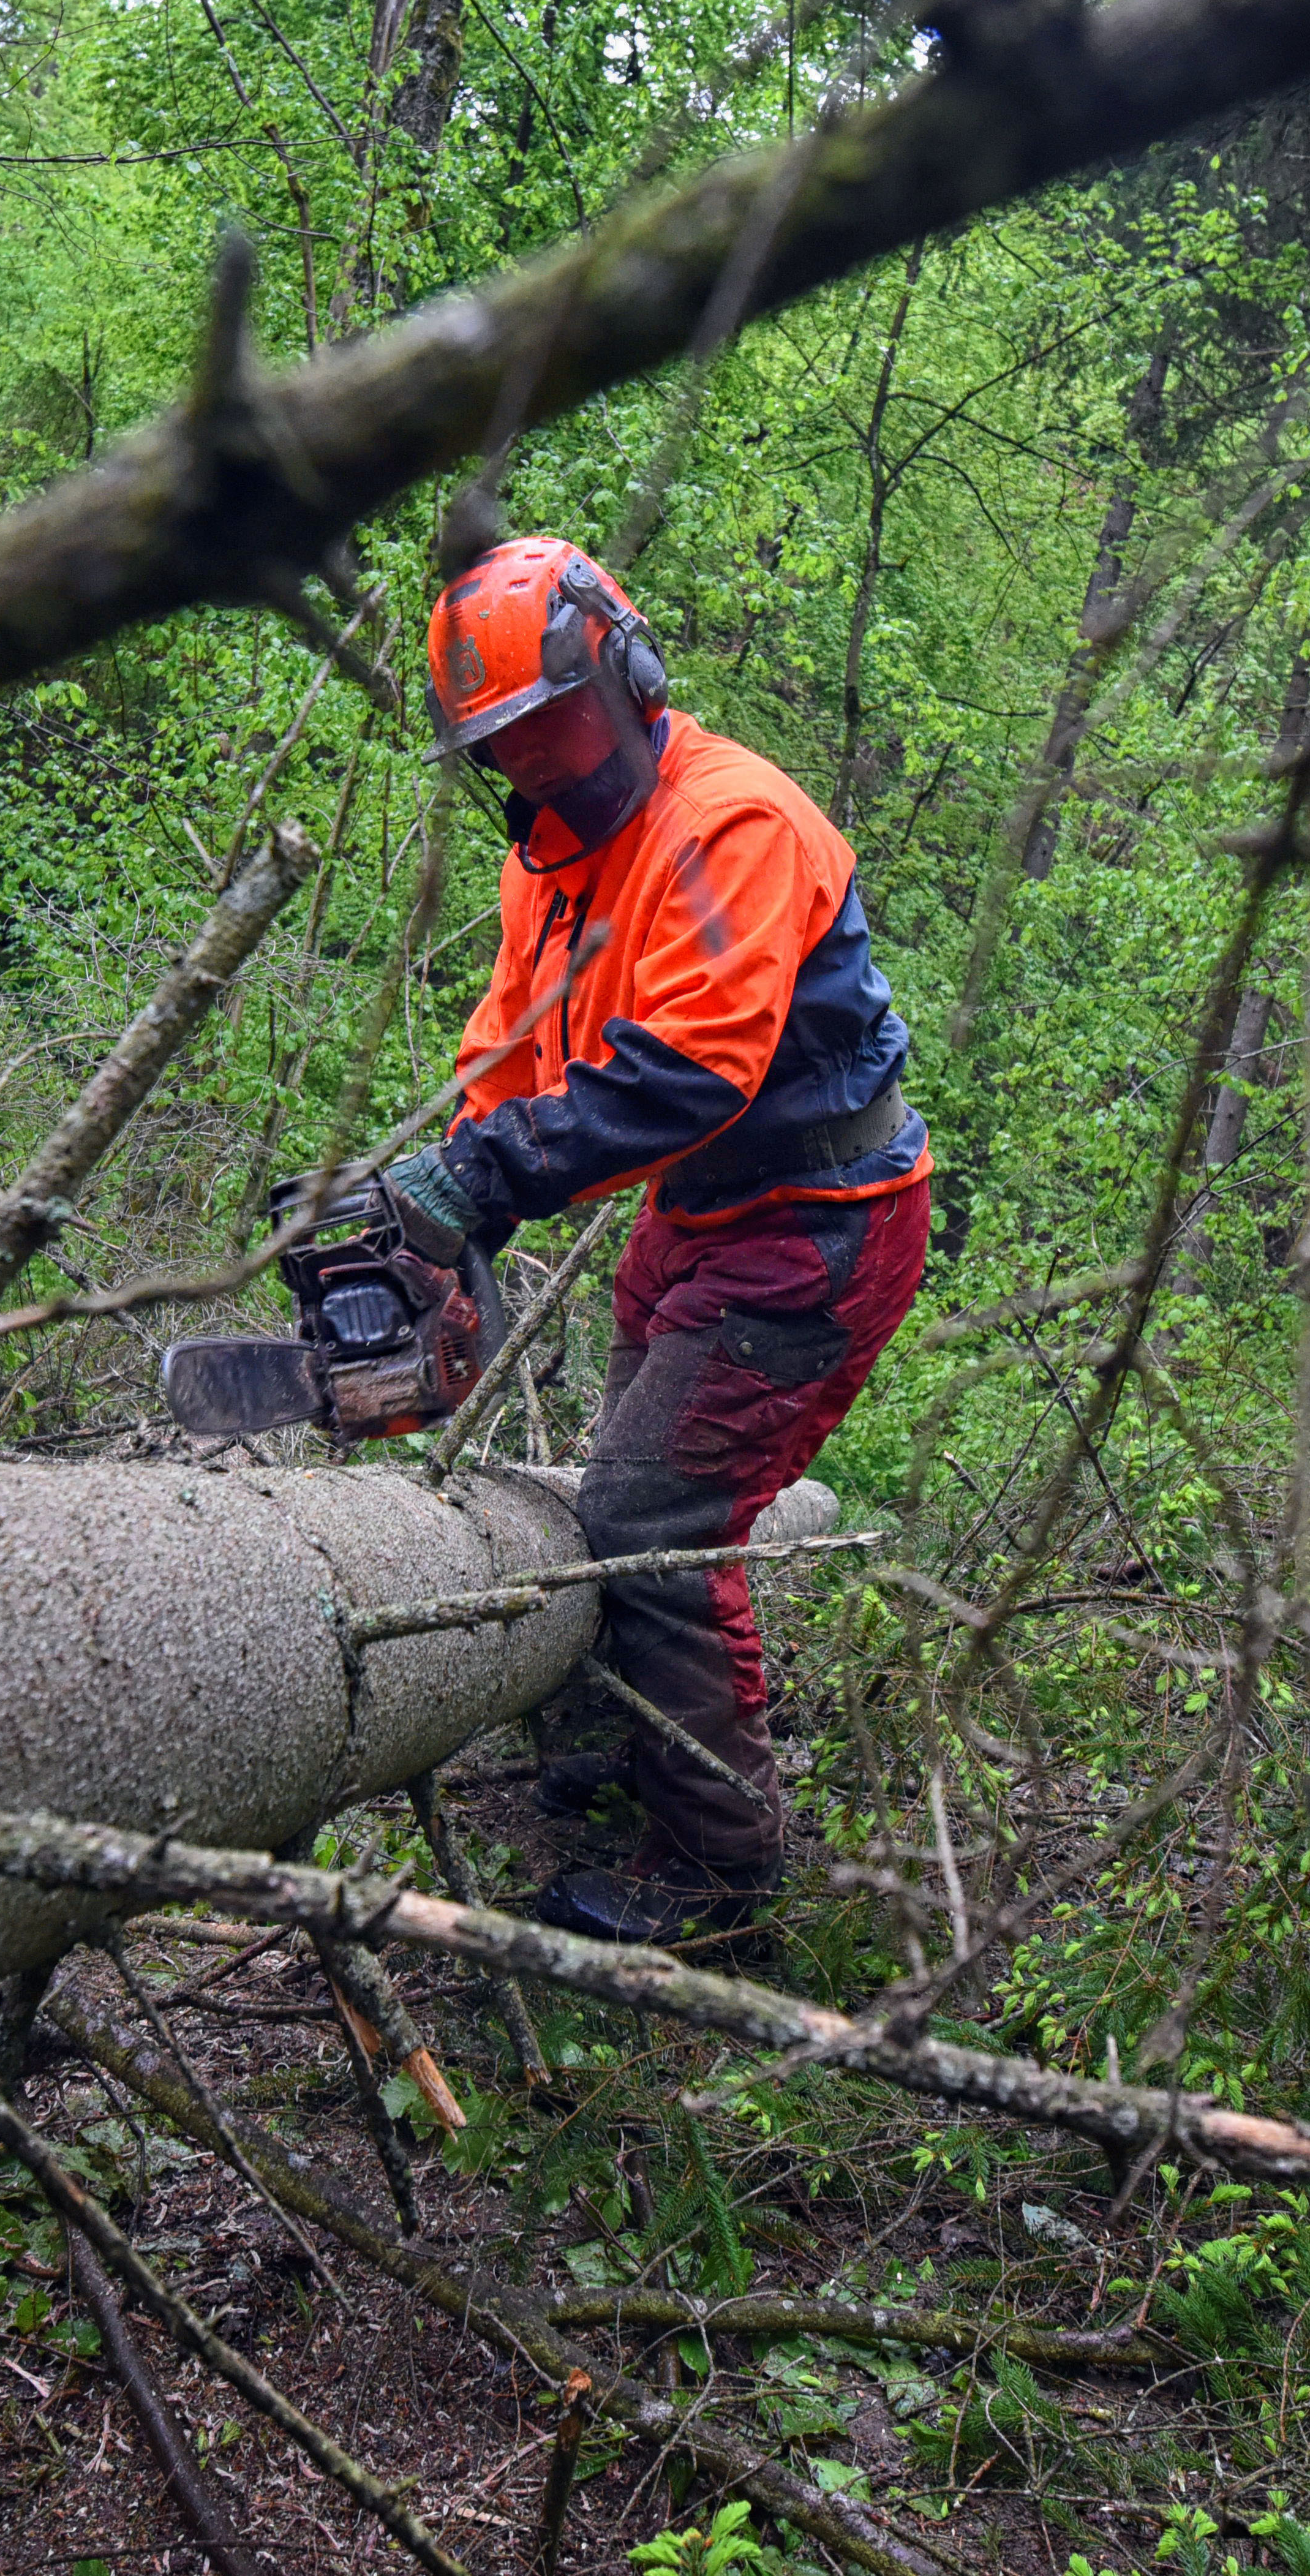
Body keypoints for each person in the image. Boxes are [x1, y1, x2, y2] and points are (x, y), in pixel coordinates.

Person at [369, 519, 932, 1946]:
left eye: (555, 722)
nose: (541, 760)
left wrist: (488, 1180)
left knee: (650, 1526)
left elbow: (689, 1071)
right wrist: (443, 1213)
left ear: (625, 671)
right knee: (595, 1488)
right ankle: (605, 1745)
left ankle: (720, 1873)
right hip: (700, 1213)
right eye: (508, 741)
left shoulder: (726, 821)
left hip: (816, 1223)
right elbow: (516, 1052)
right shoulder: (551, 857)